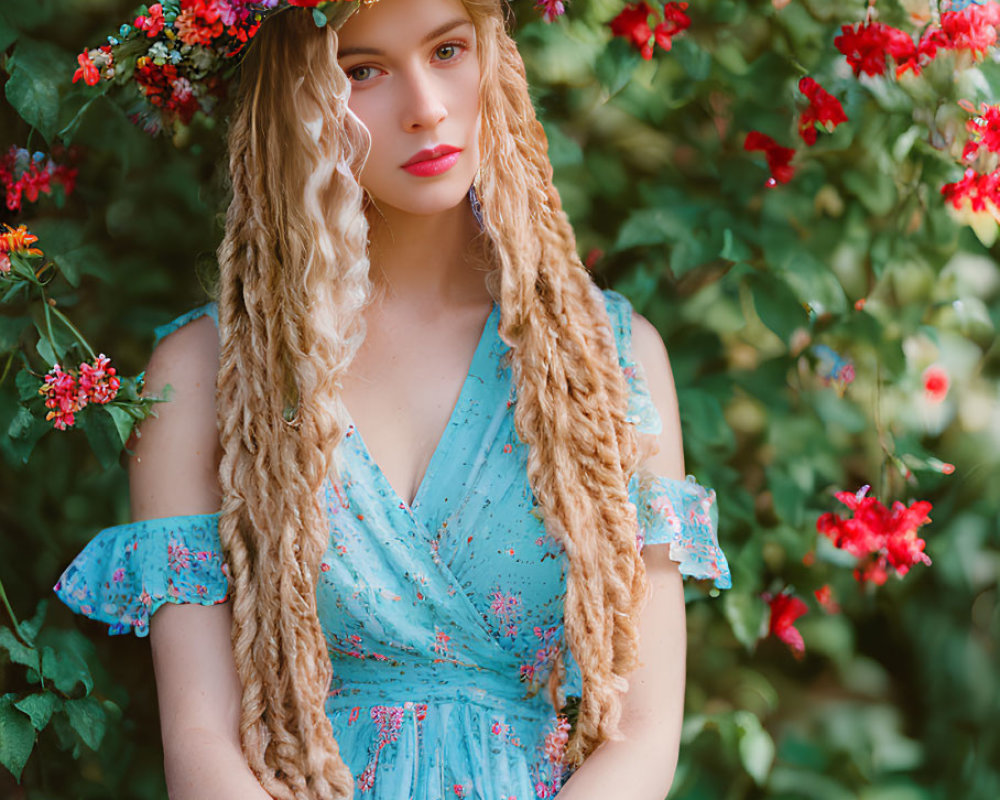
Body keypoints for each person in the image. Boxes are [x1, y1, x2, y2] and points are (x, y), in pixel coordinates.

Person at [52, 0, 732, 798]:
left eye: (447, 50)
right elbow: (201, 740)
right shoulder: (208, 378)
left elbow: (641, 734)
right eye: (361, 70)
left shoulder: (607, 363)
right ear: (291, 97)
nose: (426, 108)